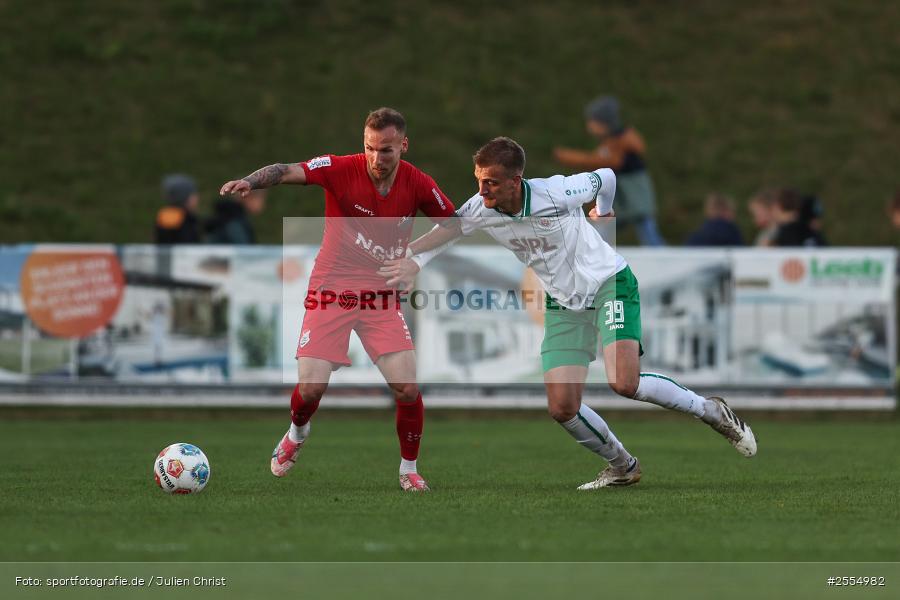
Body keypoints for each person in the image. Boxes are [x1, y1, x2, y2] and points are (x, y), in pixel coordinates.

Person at [381, 137, 756, 490]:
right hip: (564, 302)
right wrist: (413, 260)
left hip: (609, 282)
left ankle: (711, 411)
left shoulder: (555, 192)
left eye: (491, 183)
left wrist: (604, 213)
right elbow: (449, 229)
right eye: (479, 181)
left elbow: (607, 176)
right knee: (562, 407)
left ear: (516, 180)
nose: (482, 191)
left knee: (625, 382)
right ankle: (623, 467)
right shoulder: (482, 207)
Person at [220, 107, 455, 492]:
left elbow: (452, 225)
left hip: (380, 295)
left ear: (404, 146)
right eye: (370, 148)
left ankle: (408, 469)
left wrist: (413, 258)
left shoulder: (417, 182)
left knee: (407, 387)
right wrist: (251, 181)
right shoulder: (340, 168)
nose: (376, 159)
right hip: (332, 288)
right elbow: (286, 169)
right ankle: (297, 432)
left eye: (386, 150)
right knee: (311, 388)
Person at [553, 95, 665, 246]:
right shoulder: (613, 140)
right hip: (622, 194)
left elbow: (606, 161)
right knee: (608, 226)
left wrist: (569, 157)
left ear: (603, 122)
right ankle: (596, 251)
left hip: (633, 191)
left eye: (592, 121)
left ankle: (659, 255)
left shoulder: (620, 140)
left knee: (644, 225)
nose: (589, 126)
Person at [155, 174, 202, 244]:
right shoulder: (172, 216)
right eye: (193, 195)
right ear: (184, 197)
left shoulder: (185, 217)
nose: (197, 199)